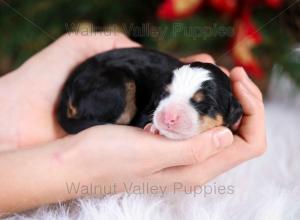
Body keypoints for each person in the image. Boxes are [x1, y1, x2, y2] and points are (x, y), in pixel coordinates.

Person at [0, 32, 266, 215]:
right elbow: (144, 115)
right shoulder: (150, 101)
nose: (169, 114)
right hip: (103, 81)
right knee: (122, 98)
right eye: (167, 94)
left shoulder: (230, 110)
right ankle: (94, 121)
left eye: (200, 103)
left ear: (231, 116)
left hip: (94, 86)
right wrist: (76, 164)